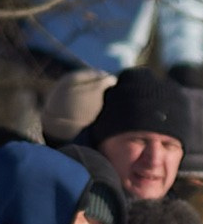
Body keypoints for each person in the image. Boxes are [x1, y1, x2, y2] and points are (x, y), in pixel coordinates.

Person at [80, 67, 192, 203]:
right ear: (102, 143)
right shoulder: (65, 211)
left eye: (168, 145)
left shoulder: (190, 220)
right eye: (140, 141)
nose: (154, 160)